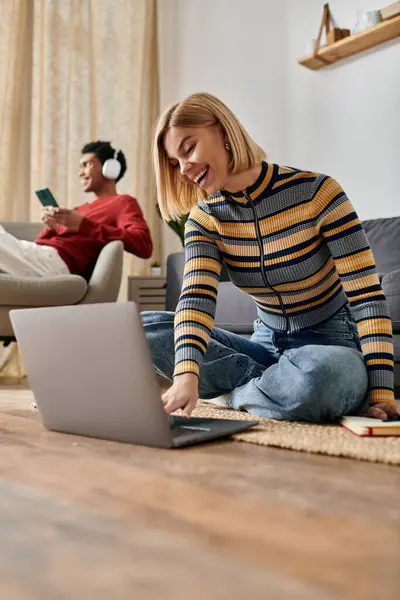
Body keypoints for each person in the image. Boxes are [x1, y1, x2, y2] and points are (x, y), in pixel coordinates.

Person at [142, 92, 399, 423]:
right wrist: (185, 376)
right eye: (175, 162)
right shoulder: (205, 220)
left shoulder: (317, 193)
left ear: (223, 132)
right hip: (262, 345)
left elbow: (366, 296)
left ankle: (236, 395)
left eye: (189, 148)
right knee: (143, 330)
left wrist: (381, 394)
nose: (184, 169)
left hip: (329, 344)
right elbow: (196, 299)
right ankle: (273, 387)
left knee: (323, 378)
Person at [0, 141, 153, 279]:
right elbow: (43, 243)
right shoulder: (80, 209)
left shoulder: (123, 202)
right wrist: (50, 228)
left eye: (87, 165)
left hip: (56, 263)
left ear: (110, 168)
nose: (81, 173)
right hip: (39, 255)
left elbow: (144, 245)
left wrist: (84, 225)